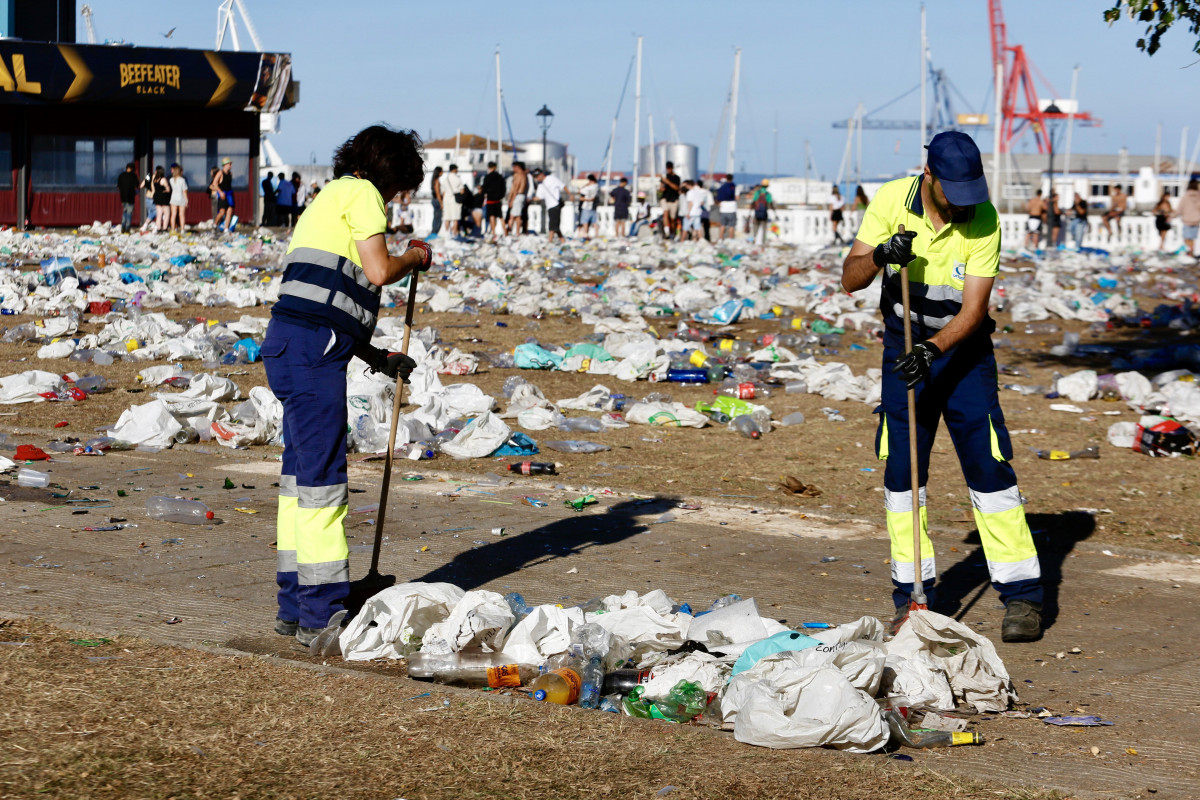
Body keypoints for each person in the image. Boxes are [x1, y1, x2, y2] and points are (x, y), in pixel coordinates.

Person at [839, 130, 1043, 643]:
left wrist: (933, 350)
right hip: (900, 348)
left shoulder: (984, 217)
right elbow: (850, 278)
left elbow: (974, 311)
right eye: (955, 194)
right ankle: (914, 599)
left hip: (963, 355)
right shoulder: (890, 199)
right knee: (903, 476)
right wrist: (883, 254)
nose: (963, 207)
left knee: (990, 469)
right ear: (929, 176)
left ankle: (1022, 597)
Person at [262, 124, 431, 647]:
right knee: (323, 487)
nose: (398, 201)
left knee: (298, 482)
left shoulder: (324, 199)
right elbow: (379, 272)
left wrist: (377, 356)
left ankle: (293, 605)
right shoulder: (363, 195)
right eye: (402, 190)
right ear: (392, 176)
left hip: (286, 345)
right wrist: (414, 257)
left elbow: (324, 293)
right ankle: (322, 614)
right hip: (313, 354)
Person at [533, 168, 567, 242]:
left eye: (537, 176)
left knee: (552, 224)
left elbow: (563, 186)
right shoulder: (541, 185)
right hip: (549, 206)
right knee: (555, 225)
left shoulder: (551, 178)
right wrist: (530, 199)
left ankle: (550, 241)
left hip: (555, 204)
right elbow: (539, 197)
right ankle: (562, 240)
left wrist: (570, 195)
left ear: (541, 174)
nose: (537, 178)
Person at [211, 157, 238, 233]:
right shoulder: (220, 173)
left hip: (229, 194)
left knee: (229, 211)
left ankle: (226, 228)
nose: (231, 166)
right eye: (229, 164)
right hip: (222, 194)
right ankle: (215, 224)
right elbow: (214, 184)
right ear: (225, 165)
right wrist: (220, 192)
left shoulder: (230, 174)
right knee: (222, 212)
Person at [481, 161, 507, 241]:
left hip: (490, 200)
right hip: (498, 200)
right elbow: (503, 188)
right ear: (495, 167)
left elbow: (484, 189)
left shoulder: (487, 177)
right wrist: (500, 196)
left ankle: (493, 232)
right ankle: (505, 232)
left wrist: (485, 196)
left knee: (492, 216)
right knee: (501, 216)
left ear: (488, 167)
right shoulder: (500, 177)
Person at [659, 161, 682, 240]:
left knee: (673, 218)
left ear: (672, 168)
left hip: (673, 199)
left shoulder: (676, 178)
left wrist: (668, 182)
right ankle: (667, 231)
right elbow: (660, 188)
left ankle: (672, 232)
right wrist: (662, 187)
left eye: (669, 168)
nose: (668, 170)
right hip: (665, 198)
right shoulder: (664, 177)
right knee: (665, 214)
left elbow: (676, 188)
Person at [440, 164, 464, 237]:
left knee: (447, 217)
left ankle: (447, 233)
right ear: (454, 169)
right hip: (455, 199)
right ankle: (454, 234)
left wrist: (442, 203)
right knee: (455, 218)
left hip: (446, 199)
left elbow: (443, 192)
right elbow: (462, 191)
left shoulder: (445, 179)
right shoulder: (458, 179)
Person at [1179, 179, 1200, 260]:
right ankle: (1191, 252)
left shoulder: (1185, 196)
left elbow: (1180, 208)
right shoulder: (1199, 196)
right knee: (1192, 238)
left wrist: (1172, 215)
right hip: (1196, 220)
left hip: (1187, 220)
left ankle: (1190, 252)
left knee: (1186, 238)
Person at [751, 179, 775, 244]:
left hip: (757, 213)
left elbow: (753, 202)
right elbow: (770, 204)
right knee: (764, 228)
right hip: (764, 214)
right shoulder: (768, 194)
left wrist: (750, 212)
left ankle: (755, 239)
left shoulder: (757, 193)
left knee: (756, 227)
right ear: (767, 186)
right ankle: (763, 242)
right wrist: (774, 212)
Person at [506, 161, 527, 236]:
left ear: (517, 167)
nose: (513, 169)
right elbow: (513, 187)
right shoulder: (516, 175)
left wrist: (512, 199)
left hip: (518, 195)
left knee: (514, 215)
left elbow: (517, 187)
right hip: (516, 196)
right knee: (516, 215)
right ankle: (515, 231)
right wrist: (509, 198)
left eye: (514, 167)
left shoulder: (521, 175)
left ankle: (512, 231)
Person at [116, 161, 138, 233]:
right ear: (132, 169)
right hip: (130, 198)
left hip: (123, 198)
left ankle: (123, 226)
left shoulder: (121, 176)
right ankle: (127, 228)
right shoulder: (133, 176)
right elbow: (136, 186)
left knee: (124, 212)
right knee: (129, 213)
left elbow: (118, 187)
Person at [576, 174, 599, 239]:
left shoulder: (588, 188)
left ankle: (585, 234)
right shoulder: (597, 186)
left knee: (585, 222)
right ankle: (597, 235)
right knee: (594, 222)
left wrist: (586, 185)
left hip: (586, 207)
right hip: (594, 207)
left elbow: (579, 191)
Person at [715, 174, 737, 240]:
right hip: (732, 208)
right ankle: (730, 240)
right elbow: (737, 197)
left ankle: (721, 239)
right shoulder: (734, 186)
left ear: (726, 178)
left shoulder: (722, 186)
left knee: (722, 225)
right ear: (732, 178)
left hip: (723, 208)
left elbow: (718, 198)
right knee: (731, 226)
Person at [168, 163, 188, 233]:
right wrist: (187, 200)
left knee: (173, 215)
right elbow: (184, 191)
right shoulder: (182, 180)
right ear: (180, 172)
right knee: (181, 215)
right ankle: (182, 229)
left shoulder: (171, 180)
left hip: (173, 198)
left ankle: (173, 229)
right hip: (181, 198)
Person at [151, 166, 171, 232]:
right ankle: (165, 228)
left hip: (157, 197)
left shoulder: (155, 180)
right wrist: (165, 191)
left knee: (159, 214)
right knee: (167, 213)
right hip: (164, 198)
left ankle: (158, 228)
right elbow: (168, 190)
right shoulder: (163, 179)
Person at [429, 165, 444, 238]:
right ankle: (434, 233)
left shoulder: (433, 180)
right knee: (438, 218)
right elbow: (438, 193)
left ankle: (434, 232)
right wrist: (441, 203)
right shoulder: (437, 181)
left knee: (436, 217)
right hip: (437, 200)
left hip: (434, 200)